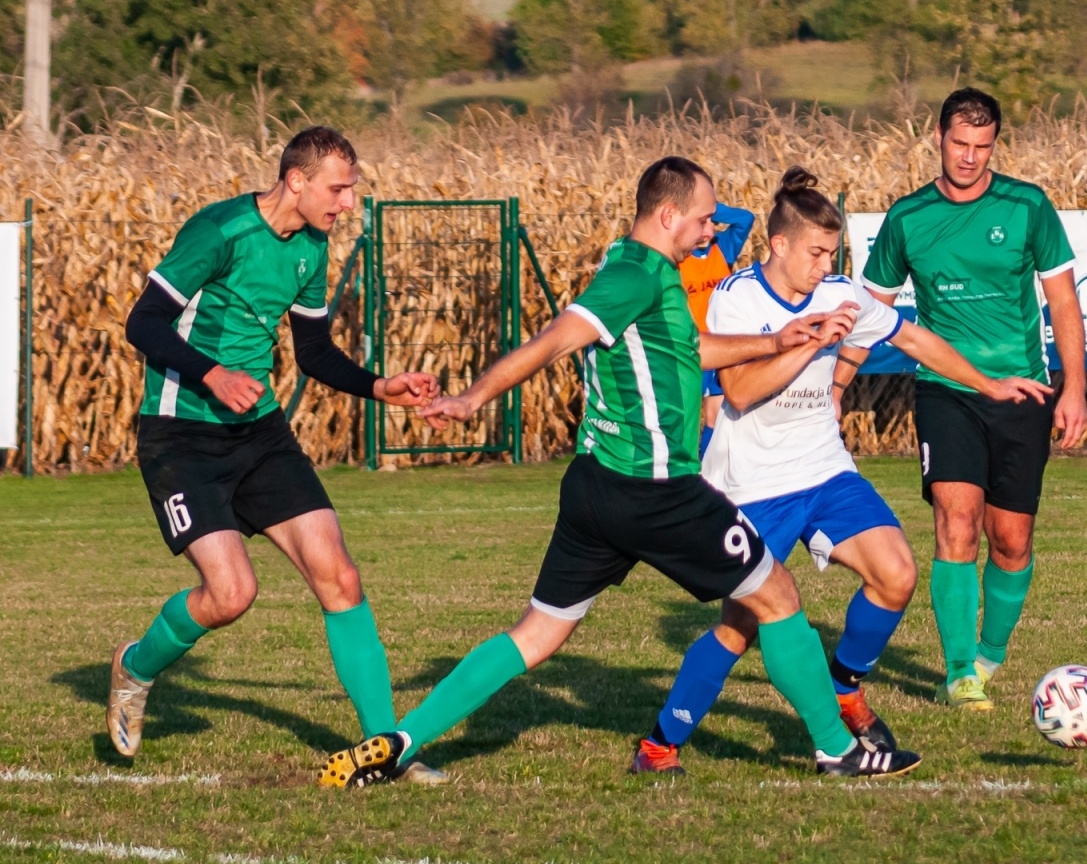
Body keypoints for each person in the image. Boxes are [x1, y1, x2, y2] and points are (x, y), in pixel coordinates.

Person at [316, 157, 924, 788]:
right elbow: (557, 336)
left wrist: (779, 341)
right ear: (668, 216)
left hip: (593, 487)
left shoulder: (637, 266)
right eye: (703, 218)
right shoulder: (634, 277)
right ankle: (837, 749)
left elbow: (688, 349)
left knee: (537, 634)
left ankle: (400, 740)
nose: (713, 229)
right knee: (777, 596)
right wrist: (473, 397)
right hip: (658, 492)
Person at [631, 167, 1052, 775]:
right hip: (753, 485)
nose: (827, 265)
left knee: (897, 573)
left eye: (834, 253)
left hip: (825, 470)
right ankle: (660, 744)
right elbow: (741, 392)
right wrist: (806, 342)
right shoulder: (736, 297)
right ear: (778, 245)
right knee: (740, 625)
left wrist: (989, 385)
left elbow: (915, 340)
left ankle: (845, 686)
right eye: (817, 252)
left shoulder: (839, 293)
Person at [108, 126, 445, 781]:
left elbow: (313, 354)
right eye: (339, 189)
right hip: (181, 436)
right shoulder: (219, 231)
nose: (349, 204)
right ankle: (135, 666)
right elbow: (141, 323)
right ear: (297, 180)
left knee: (340, 576)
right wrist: (211, 373)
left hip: (259, 435)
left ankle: (388, 750)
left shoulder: (311, 248)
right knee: (231, 594)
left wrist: (382, 387)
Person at [861, 88, 1087, 711]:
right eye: (960, 144)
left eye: (982, 147)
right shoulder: (906, 218)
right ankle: (960, 671)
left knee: (1010, 538)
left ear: (995, 146)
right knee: (955, 522)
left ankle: (990, 654)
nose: (969, 157)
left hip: (1024, 391)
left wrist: (1075, 387)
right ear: (937, 137)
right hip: (945, 392)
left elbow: (1063, 299)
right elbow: (869, 310)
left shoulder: (1027, 206)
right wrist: (828, 385)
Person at [678, 201, 755, 454]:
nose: (707, 230)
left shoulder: (722, 248)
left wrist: (708, 207)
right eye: (700, 223)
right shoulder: (678, 257)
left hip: (722, 346)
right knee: (684, 416)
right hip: (691, 348)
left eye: (709, 222)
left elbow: (745, 219)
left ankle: (705, 473)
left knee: (715, 417)